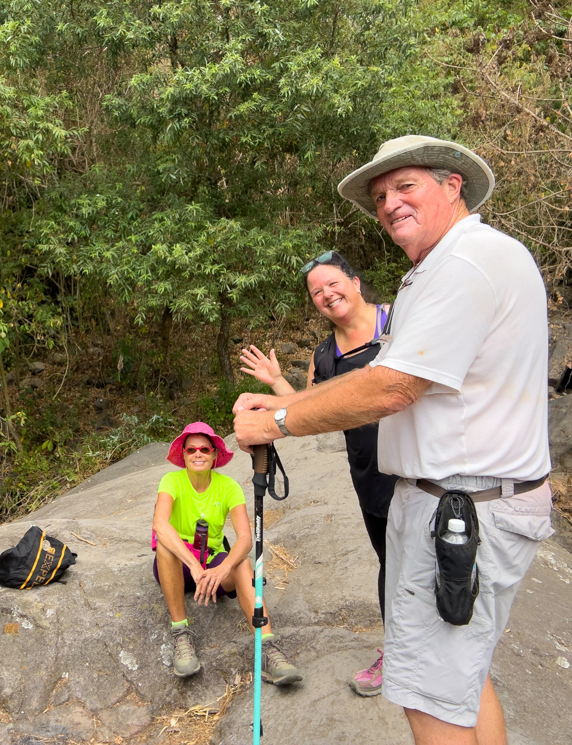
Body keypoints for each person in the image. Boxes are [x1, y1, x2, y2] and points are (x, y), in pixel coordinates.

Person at [232, 135, 552, 745]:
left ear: (452, 186)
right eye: (380, 195)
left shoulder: (463, 265)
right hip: (465, 500)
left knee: (430, 698)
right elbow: (383, 385)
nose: (389, 203)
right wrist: (286, 400)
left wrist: (274, 424)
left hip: (461, 508)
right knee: (462, 679)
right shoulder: (440, 271)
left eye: (405, 186)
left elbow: (391, 388)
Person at [239, 250, 397, 696]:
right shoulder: (325, 354)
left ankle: (434, 655)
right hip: (371, 477)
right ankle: (398, 654)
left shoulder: (400, 321)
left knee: (430, 567)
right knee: (392, 566)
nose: (327, 294)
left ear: (357, 281)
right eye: (316, 292)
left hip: (424, 471)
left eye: (333, 283)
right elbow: (308, 411)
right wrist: (275, 384)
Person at [152, 421, 302, 684]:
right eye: (191, 450)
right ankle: (181, 633)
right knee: (165, 544)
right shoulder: (171, 481)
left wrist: (221, 568)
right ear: (183, 454)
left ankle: (266, 648)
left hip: (212, 564)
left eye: (204, 449)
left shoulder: (229, 487)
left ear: (214, 454)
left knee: (242, 563)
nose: (198, 454)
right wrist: (194, 566)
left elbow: (245, 538)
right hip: (179, 565)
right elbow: (160, 524)